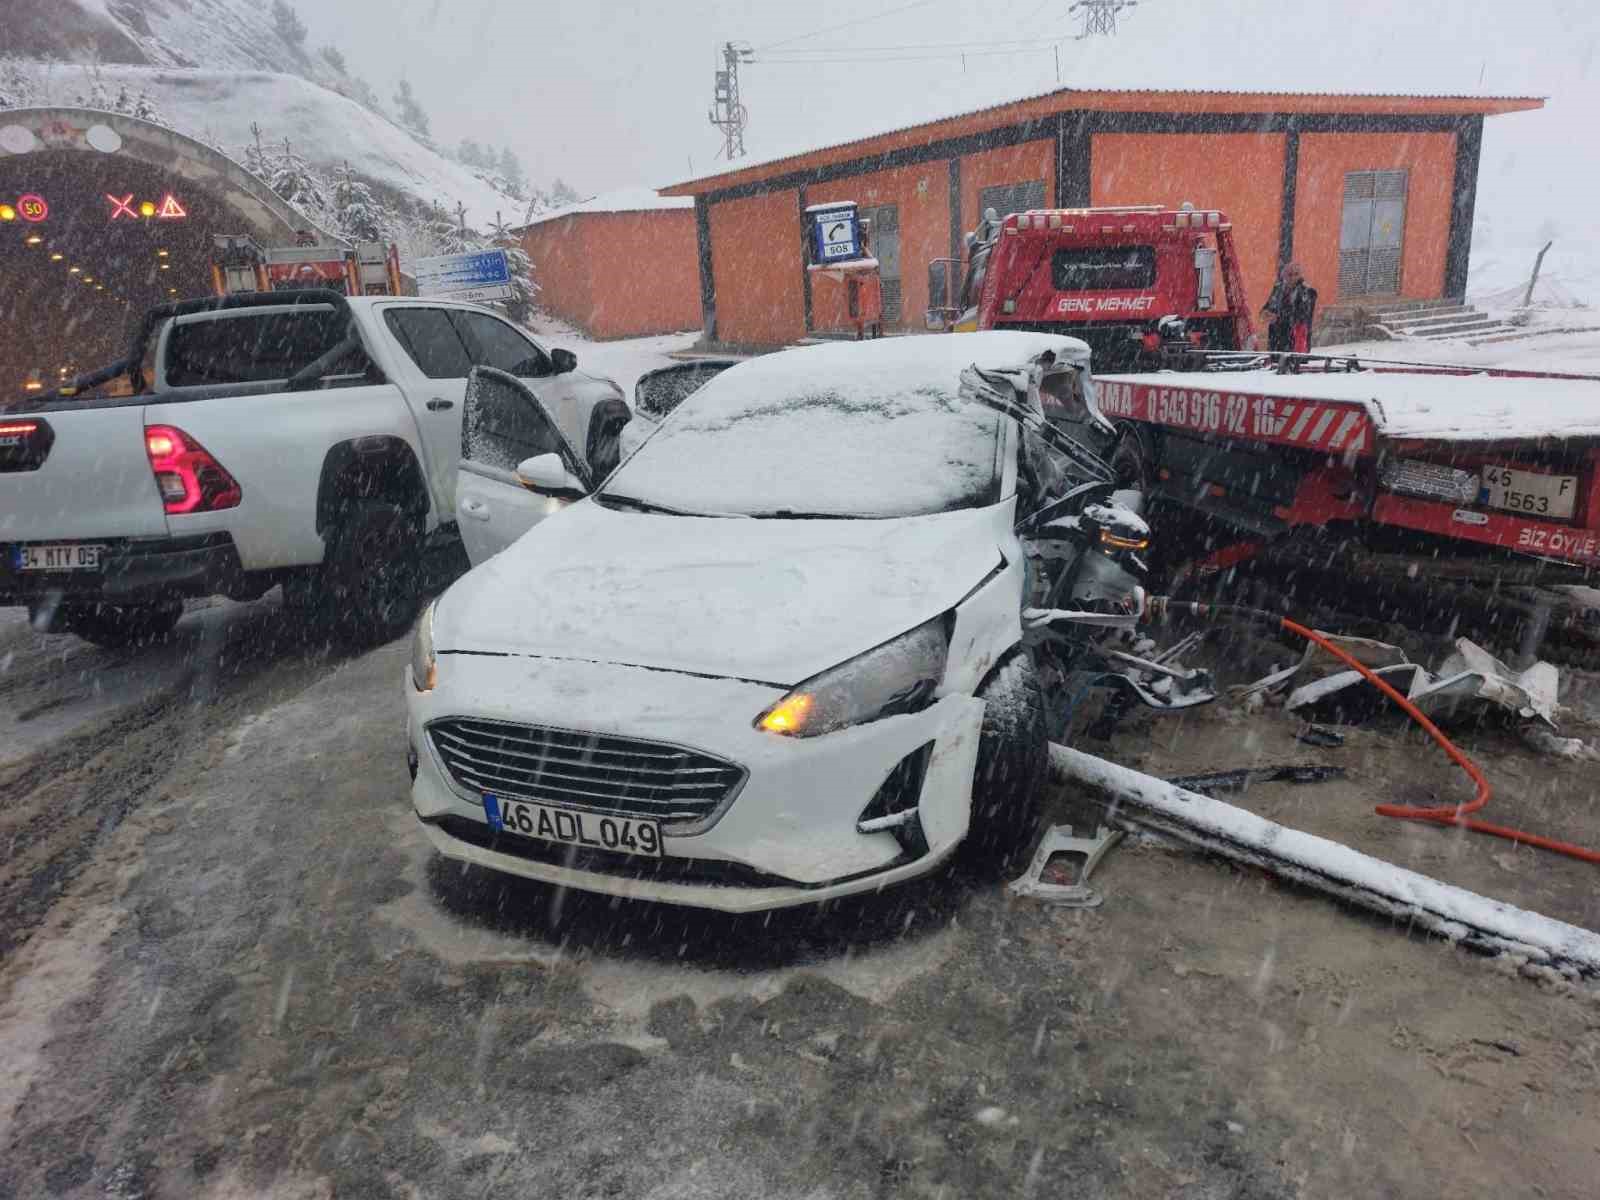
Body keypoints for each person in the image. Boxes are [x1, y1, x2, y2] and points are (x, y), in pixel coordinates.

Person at [1262, 262, 1318, 354]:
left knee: (1292, 364)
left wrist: (1278, 317)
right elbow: (1269, 306)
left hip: (1295, 340)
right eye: (1289, 274)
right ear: (1284, 276)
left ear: (1300, 275)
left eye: (1296, 274)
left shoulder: (1307, 291)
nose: (1292, 278)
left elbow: (1302, 316)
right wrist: (1266, 313)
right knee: (1276, 362)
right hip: (1276, 339)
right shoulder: (1278, 289)